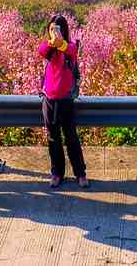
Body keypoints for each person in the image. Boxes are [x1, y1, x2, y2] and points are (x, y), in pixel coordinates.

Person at [39, 15, 88, 189]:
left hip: (66, 99)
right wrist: (52, 41)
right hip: (49, 99)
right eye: (51, 29)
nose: (54, 32)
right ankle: (57, 173)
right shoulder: (48, 48)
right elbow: (42, 50)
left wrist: (60, 41)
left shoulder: (71, 47)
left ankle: (80, 173)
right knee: (53, 139)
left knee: (71, 138)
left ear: (64, 30)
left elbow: (71, 51)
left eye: (58, 29)